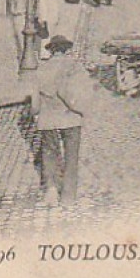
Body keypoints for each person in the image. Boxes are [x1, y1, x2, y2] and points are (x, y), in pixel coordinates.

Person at [30, 35, 90, 208]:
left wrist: (36, 114)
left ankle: (51, 192)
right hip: (71, 118)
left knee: (49, 154)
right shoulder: (75, 67)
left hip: (48, 120)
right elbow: (82, 93)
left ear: (51, 50)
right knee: (71, 157)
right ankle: (68, 197)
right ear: (66, 49)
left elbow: (35, 104)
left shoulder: (41, 69)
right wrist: (82, 110)